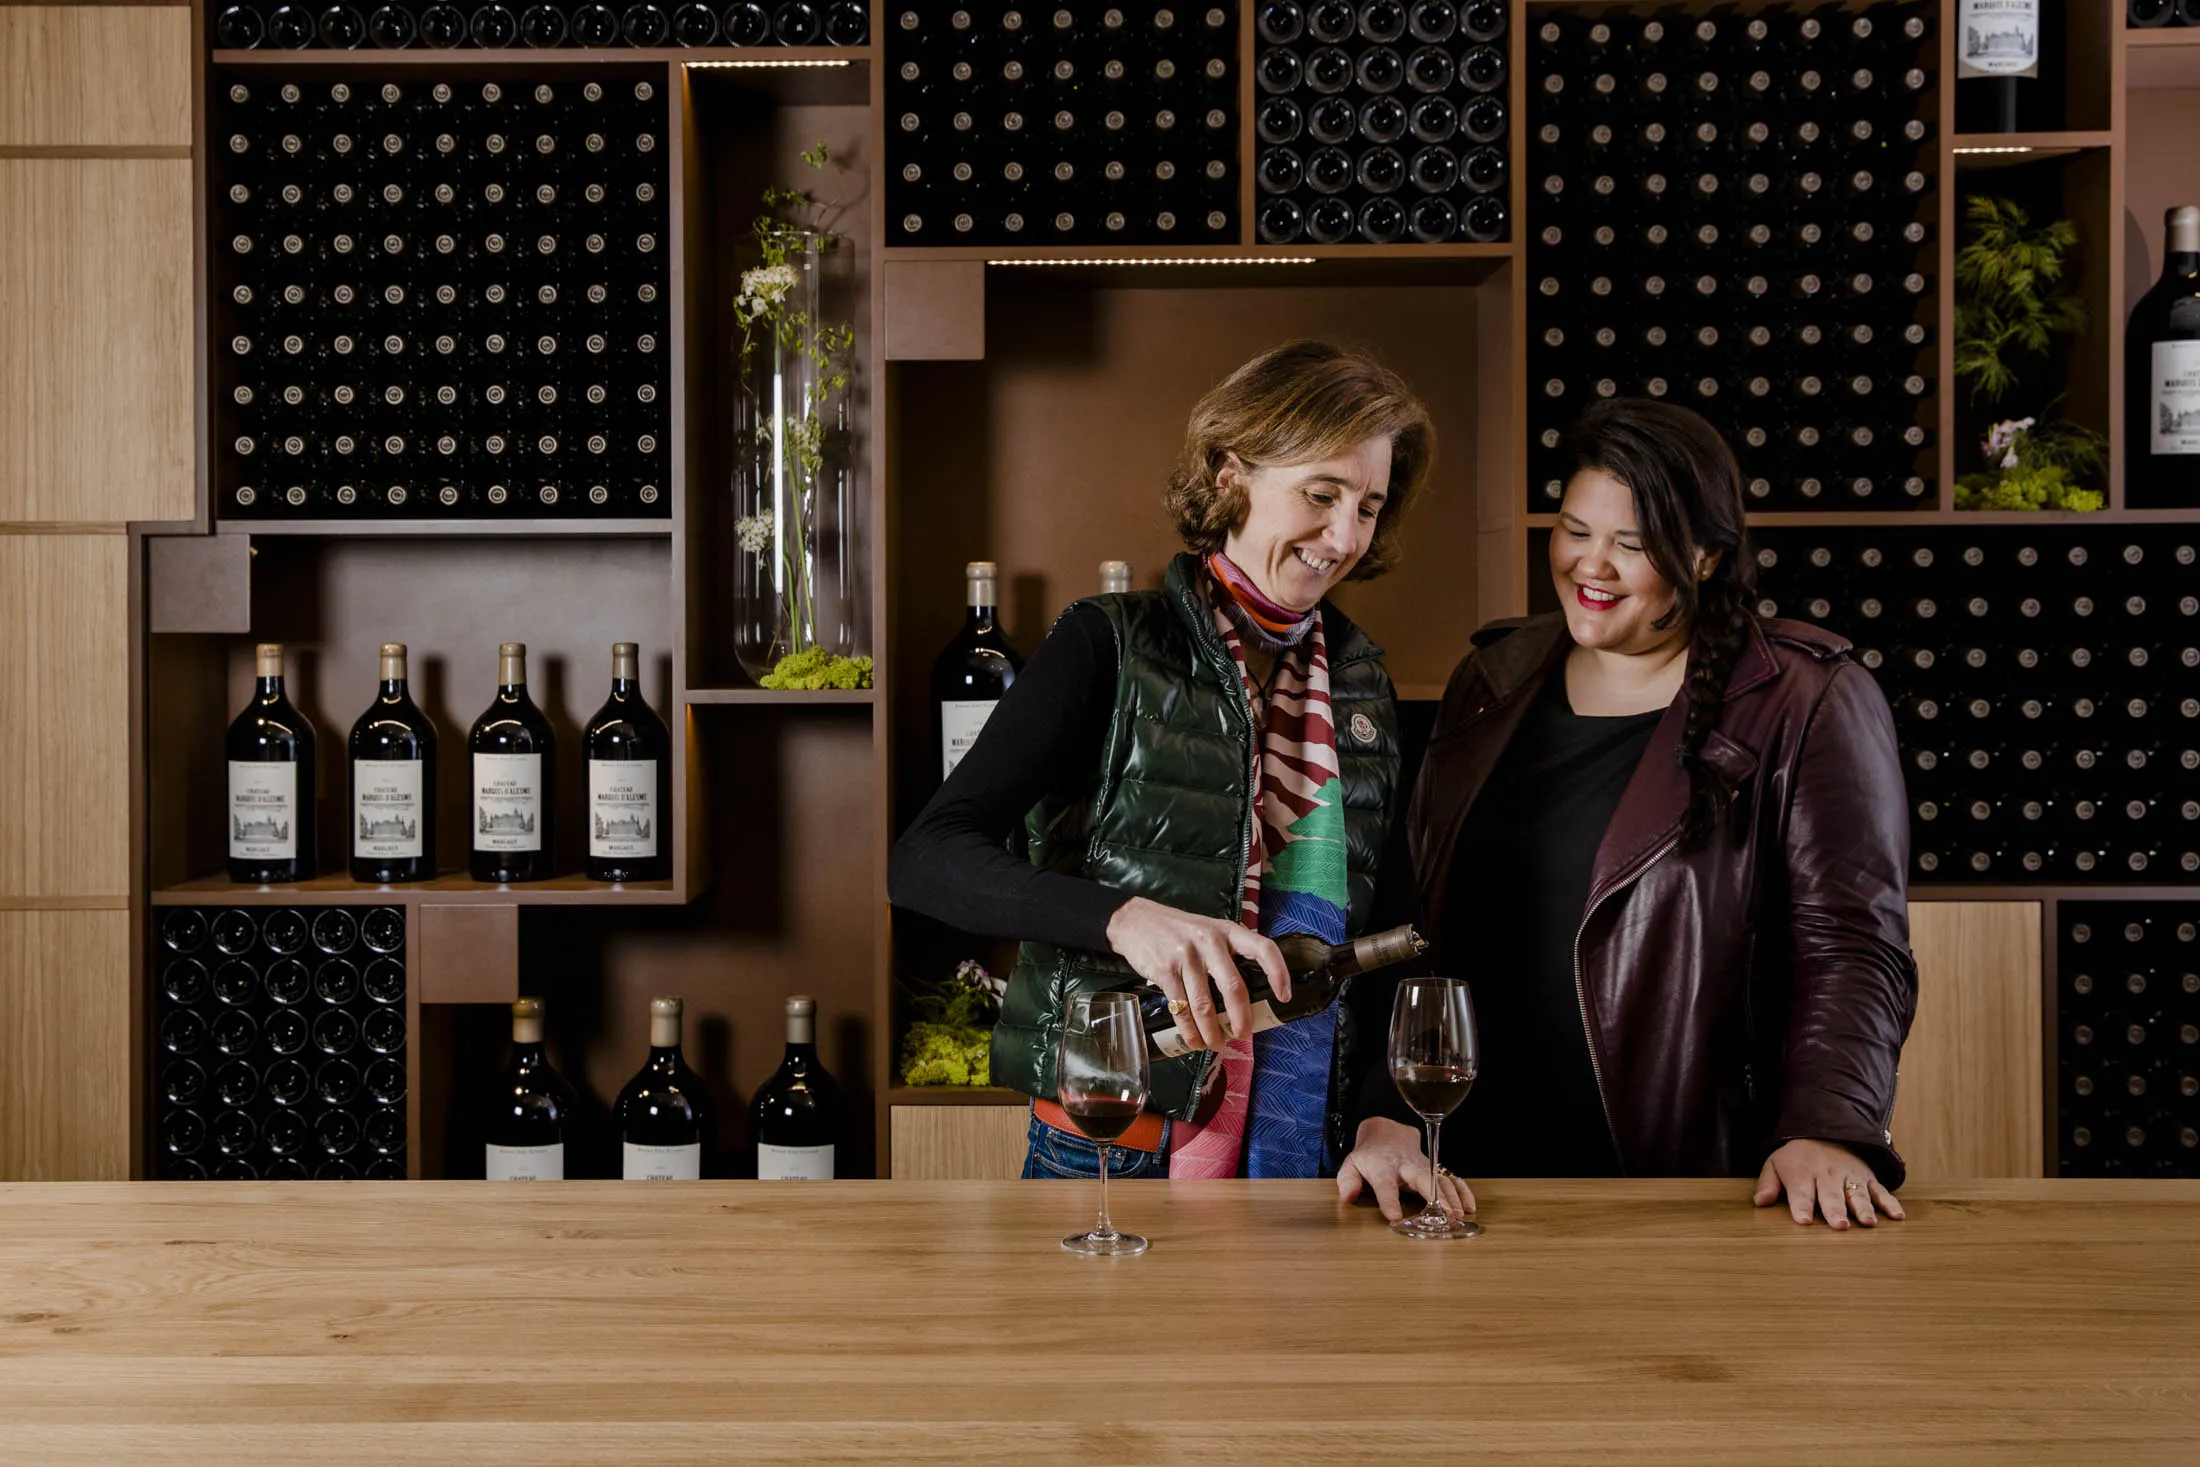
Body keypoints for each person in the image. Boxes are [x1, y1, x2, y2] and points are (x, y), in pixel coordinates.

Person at [891, 340, 1463, 1202]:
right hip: (1109, 1149)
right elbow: (925, 858)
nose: (1345, 537)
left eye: (1369, 507)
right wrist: (1126, 919)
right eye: (1321, 494)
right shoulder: (1109, 643)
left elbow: (1391, 926)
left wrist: (1387, 1114)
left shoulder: (1359, 682)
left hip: (1311, 1162)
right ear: (1232, 475)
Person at [1342, 397, 1917, 1230]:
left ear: (1705, 555)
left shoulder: (1806, 698)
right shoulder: (1491, 680)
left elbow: (1853, 946)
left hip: (1682, 1189)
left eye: (1633, 544)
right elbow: (1421, 927)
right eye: (1576, 530)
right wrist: (1389, 1106)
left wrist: (1829, 1124)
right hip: (1466, 1182)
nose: (1592, 564)